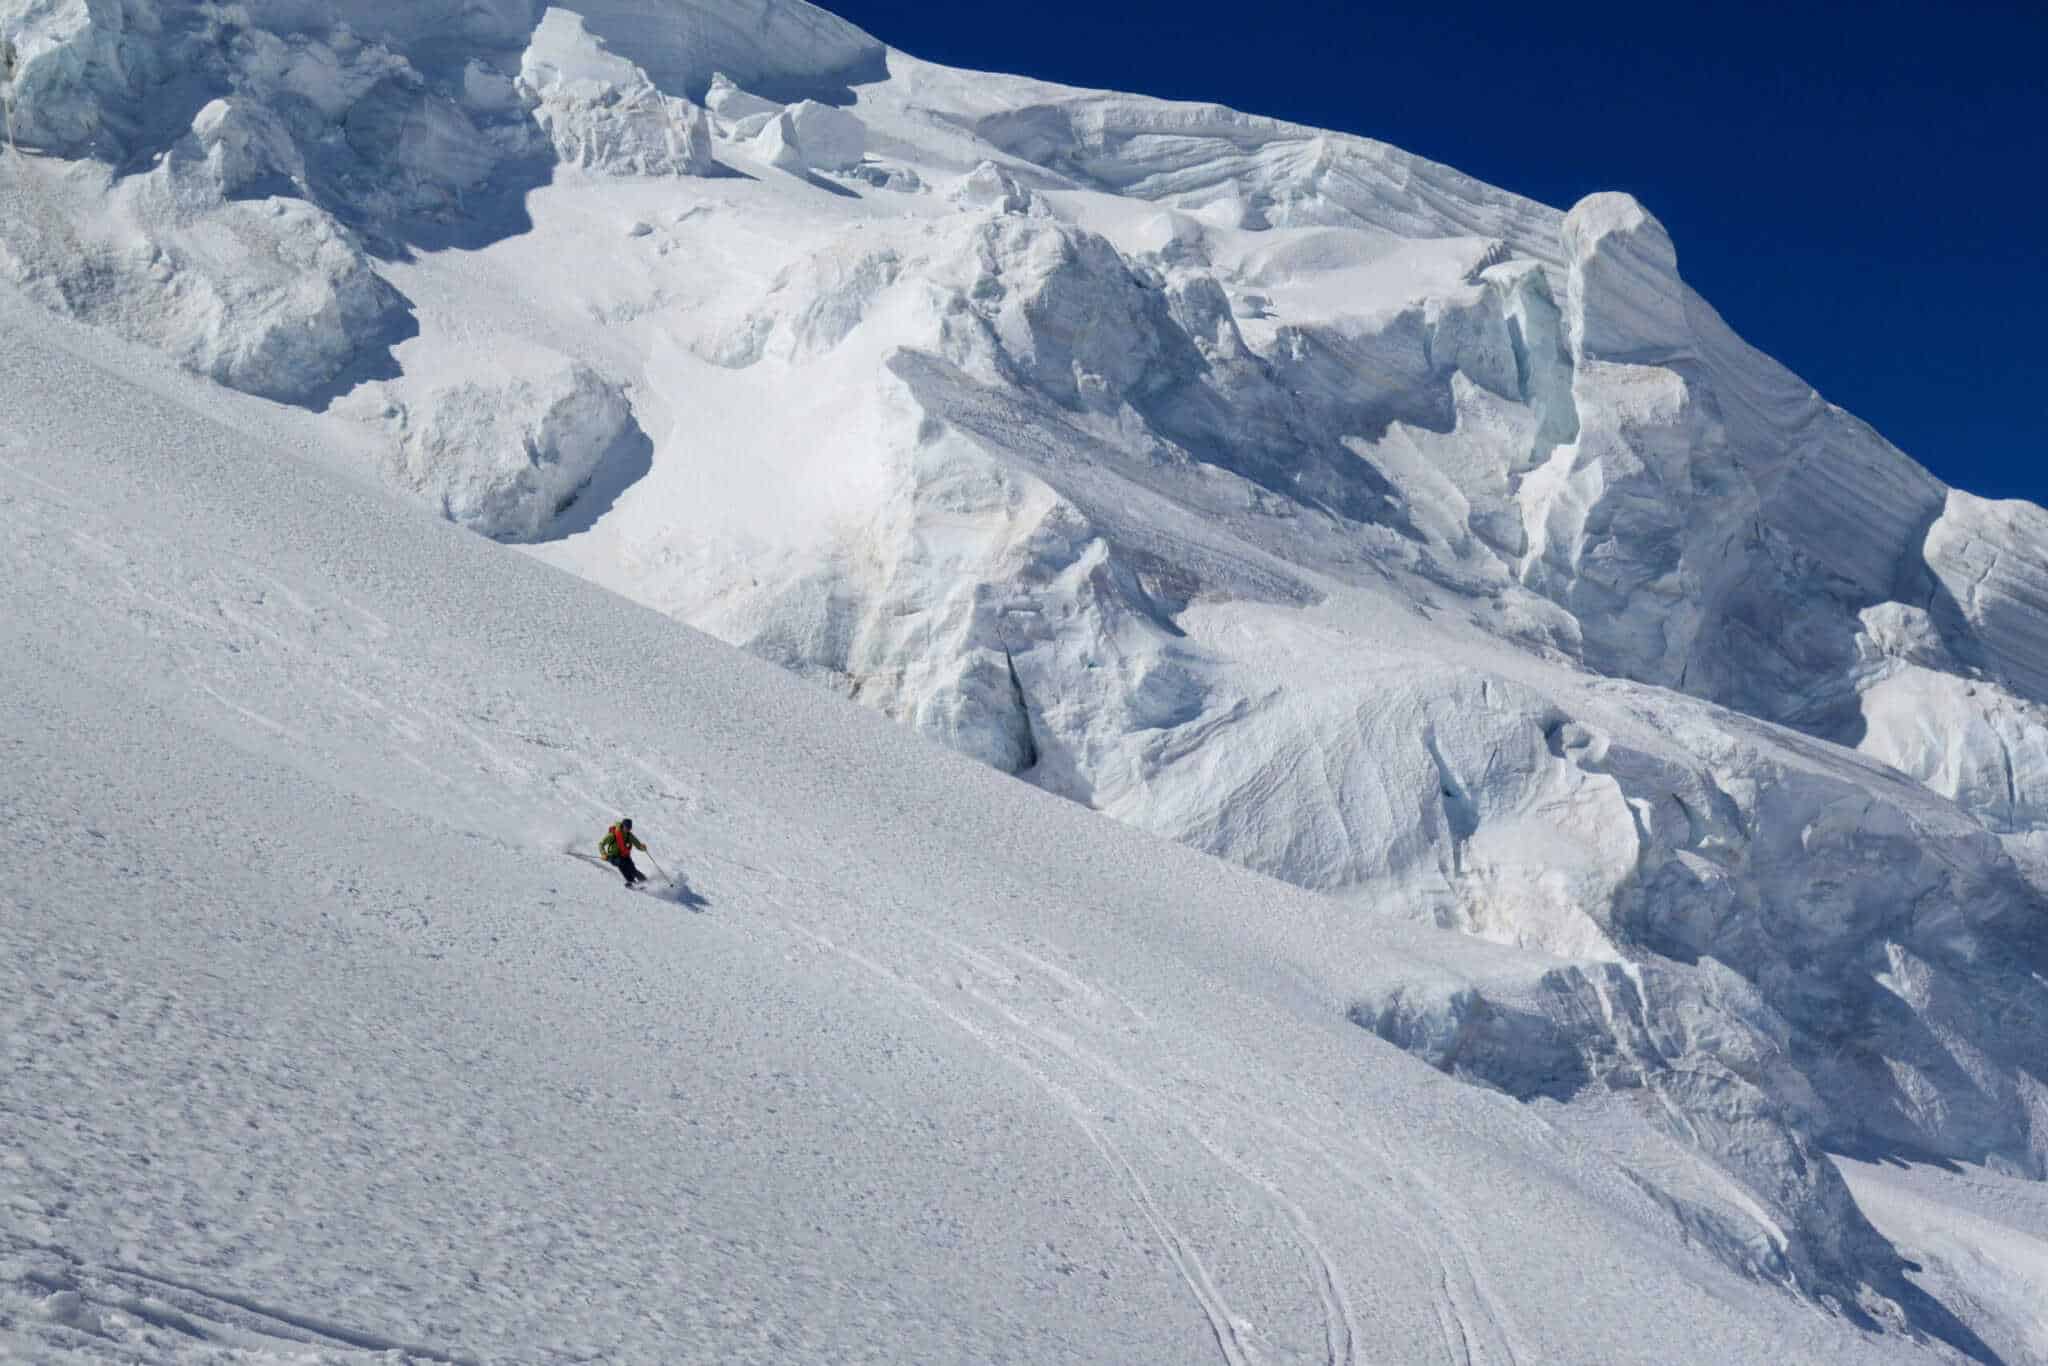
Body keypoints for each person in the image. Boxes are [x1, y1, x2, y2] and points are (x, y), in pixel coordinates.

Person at [599, 817, 649, 886]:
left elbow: (637, 844)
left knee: (632, 869)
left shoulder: (629, 835)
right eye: (626, 827)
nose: (628, 829)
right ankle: (631, 881)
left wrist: (642, 847)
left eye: (629, 828)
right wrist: (603, 854)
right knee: (622, 864)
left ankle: (644, 880)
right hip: (613, 856)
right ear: (623, 826)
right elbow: (601, 844)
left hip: (625, 856)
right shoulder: (613, 835)